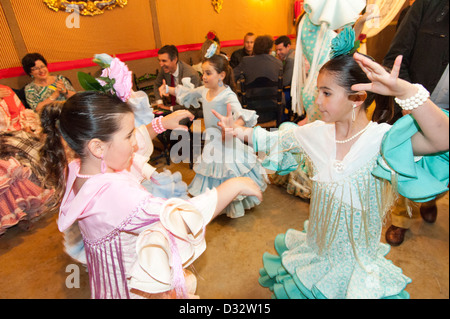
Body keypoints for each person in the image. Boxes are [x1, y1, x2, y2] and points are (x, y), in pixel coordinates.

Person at [213, 50, 449, 298]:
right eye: (318, 92)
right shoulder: (316, 133)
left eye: (326, 93)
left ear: (357, 98)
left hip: (356, 263)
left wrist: (406, 91)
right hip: (319, 251)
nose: (317, 101)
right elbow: (274, 139)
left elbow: (443, 139)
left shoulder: (383, 141)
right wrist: (238, 132)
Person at [39, 91, 262, 299]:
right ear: (97, 147)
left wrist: (161, 123)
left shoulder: (80, 167)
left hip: (112, 276)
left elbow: (128, 147)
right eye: (128, 136)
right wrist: (233, 186)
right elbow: (179, 218)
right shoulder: (112, 194)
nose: (135, 143)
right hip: (136, 282)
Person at [160, 54, 267, 218]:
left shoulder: (227, 95)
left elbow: (241, 114)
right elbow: (189, 93)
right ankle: (218, 202)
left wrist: (233, 127)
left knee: (228, 171)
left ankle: (231, 203)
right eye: (203, 73)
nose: (203, 77)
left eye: (208, 73)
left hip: (226, 141)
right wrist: (168, 89)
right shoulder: (204, 90)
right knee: (214, 173)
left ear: (221, 75)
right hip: (212, 141)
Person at [382, 0, 449, 246]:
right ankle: (400, 219)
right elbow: (394, 59)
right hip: (416, 110)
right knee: (407, 167)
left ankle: (430, 199)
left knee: (443, 170)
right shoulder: (427, 5)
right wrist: (409, 104)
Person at [0, 85, 53, 236]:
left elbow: (18, 113)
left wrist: (26, 126)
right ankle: (15, 213)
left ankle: (24, 208)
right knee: (14, 160)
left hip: (9, 133)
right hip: (4, 138)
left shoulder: (5, 90)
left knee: (35, 144)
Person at [233, 35, 283, 123]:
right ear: (270, 49)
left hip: (250, 112)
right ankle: (273, 133)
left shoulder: (246, 61)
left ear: (255, 47)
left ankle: (247, 134)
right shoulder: (278, 63)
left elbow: (232, 77)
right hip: (273, 111)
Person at [153, 45, 201, 112]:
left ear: (175, 59)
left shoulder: (190, 74)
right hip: (175, 107)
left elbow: (188, 102)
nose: (161, 64)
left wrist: (170, 109)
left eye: (164, 61)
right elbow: (156, 84)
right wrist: (159, 102)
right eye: (159, 61)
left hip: (192, 110)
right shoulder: (165, 69)